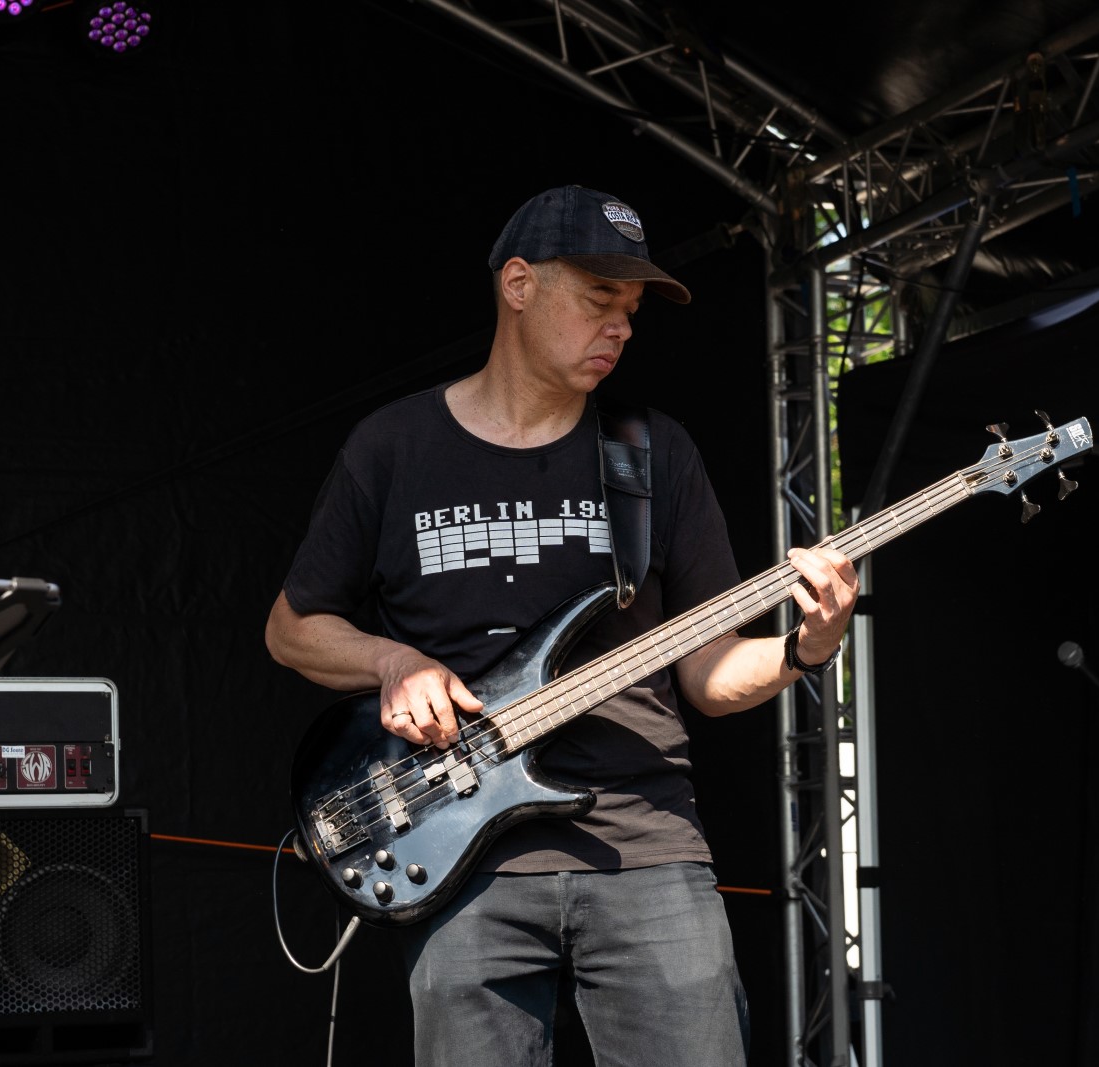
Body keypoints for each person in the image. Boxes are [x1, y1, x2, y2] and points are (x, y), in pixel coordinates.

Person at [263, 184, 858, 1065]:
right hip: (460, 857)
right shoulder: (393, 448)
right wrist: (394, 661)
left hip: (645, 842)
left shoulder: (654, 452)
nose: (621, 328)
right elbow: (291, 627)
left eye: (631, 310)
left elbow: (708, 673)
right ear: (518, 284)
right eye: (598, 300)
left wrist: (808, 646)